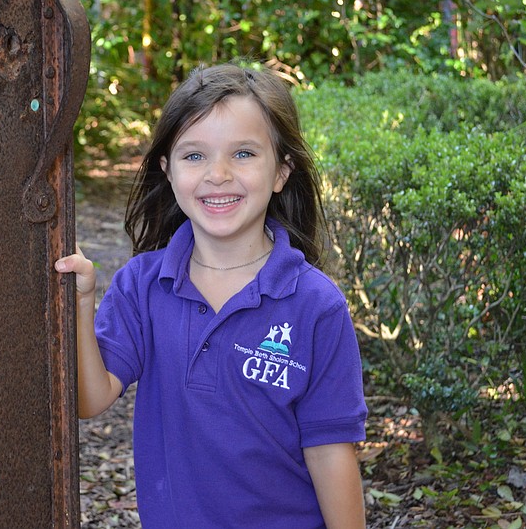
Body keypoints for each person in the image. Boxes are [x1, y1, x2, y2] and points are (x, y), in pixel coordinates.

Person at [55, 63, 367, 528]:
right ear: (168, 170)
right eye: (194, 156)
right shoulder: (142, 285)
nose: (217, 174)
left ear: (282, 171)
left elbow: (329, 452)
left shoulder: (315, 305)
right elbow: (89, 400)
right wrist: (81, 305)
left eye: (243, 153)